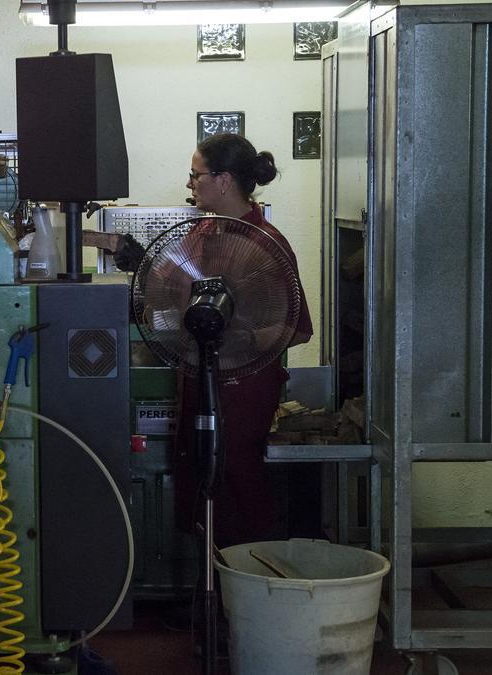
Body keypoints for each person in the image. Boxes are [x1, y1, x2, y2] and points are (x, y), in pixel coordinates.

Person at [174, 133, 313, 547]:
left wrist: (240, 336)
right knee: (198, 473)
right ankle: (209, 582)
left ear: (224, 180)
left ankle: (243, 579)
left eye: (195, 175)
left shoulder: (265, 243)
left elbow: (295, 327)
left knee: (234, 475)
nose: (189, 184)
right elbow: (167, 288)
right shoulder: (201, 234)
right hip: (199, 378)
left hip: (243, 388)